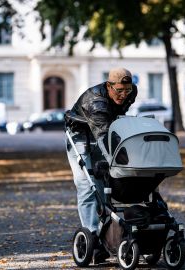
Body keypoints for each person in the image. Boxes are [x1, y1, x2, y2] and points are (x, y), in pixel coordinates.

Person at [66, 67, 137, 263]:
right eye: (119, 91)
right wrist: (123, 154)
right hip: (81, 136)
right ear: (109, 86)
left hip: (103, 130)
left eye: (127, 90)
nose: (123, 95)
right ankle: (92, 238)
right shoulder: (95, 102)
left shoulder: (132, 92)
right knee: (86, 185)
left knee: (104, 184)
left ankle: (106, 231)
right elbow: (104, 136)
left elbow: (117, 121)